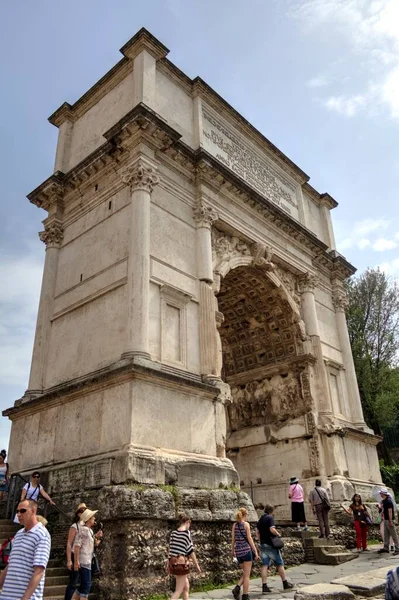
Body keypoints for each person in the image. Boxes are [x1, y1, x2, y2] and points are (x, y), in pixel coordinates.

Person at [0, 499, 51, 600]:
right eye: (17, 511)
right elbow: (10, 564)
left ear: (33, 511)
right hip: (6, 596)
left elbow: (39, 571)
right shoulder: (19, 534)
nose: (18, 514)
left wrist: (25, 598)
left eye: (22, 511)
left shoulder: (42, 535)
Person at [256, 504, 294, 594]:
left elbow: (257, 533)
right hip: (271, 544)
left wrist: (261, 540)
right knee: (280, 563)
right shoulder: (270, 518)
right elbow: (272, 529)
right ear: (271, 511)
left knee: (265, 565)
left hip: (263, 544)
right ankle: (285, 583)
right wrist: (278, 534)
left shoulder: (260, 520)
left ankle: (264, 586)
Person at [167, 513, 201, 600]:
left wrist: (167, 565)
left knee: (186, 587)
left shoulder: (173, 533)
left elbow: (170, 550)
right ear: (187, 522)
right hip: (182, 565)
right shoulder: (186, 533)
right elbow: (191, 551)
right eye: (190, 524)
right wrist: (197, 565)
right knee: (178, 590)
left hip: (174, 563)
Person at [73, 508, 103, 599]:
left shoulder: (89, 530)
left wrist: (96, 539)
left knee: (83, 585)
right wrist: (76, 561)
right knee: (86, 586)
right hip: (83, 561)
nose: (94, 518)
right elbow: (77, 545)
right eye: (93, 517)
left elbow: (88, 543)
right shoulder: (84, 530)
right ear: (89, 519)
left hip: (88, 560)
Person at [231, 507, 259, 600]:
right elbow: (250, 539)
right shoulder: (246, 525)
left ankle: (237, 588)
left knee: (245, 572)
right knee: (247, 575)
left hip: (238, 552)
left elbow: (233, 539)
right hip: (246, 551)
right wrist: (255, 550)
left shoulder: (234, 525)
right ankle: (245, 595)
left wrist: (232, 550)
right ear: (245, 515)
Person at [64, 503, 87, 600]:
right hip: (75, 555)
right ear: (78, 514)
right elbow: (69, 543)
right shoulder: (75, 526)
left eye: (85, 510)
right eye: (82, 511)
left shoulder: (86, 526)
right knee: (73, 582)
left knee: (83, 582)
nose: (84, 512)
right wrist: (69, 560)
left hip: (84, 556)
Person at [378, 489, 399, 555]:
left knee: (393, 534)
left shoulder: (388, 501)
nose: (380, 494)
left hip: (389, 519)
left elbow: (390, 511)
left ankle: (397, 548)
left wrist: (390, 521)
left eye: (381, 493)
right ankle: (386, 547)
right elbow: (383, 510)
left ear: (383, 494)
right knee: (386, 534)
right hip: (385, 519)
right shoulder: (384, 501)